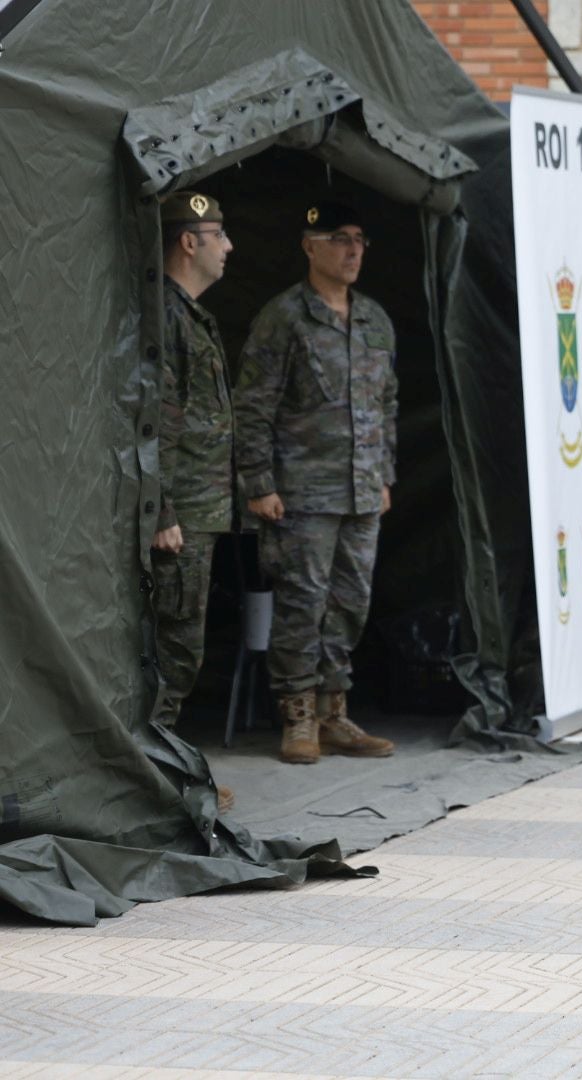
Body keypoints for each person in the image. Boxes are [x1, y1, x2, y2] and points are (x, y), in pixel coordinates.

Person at [236, 201, 398, 765]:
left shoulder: (374, 319)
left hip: (360, 490)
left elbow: (387, 403)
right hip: (301, 492)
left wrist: (385, 474)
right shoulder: (284, 317)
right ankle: (297, 716)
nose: (353, 249)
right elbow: (253, 406)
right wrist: (259, 482)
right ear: (310, 245)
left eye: (360, 239)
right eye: (340, 238)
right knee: (301, 602)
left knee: (350, 601)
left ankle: (334, 712)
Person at [153, 190, 236, 813]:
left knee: (182, 652)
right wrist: (162, 512)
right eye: (219, 234)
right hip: (179, 517)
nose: (229, 246)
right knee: (172, 656)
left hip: (198, 512)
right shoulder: (167, 316)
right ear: (190, 241)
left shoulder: (190, 316)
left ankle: (166, 781)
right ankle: (160, 791)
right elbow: (152, 420)